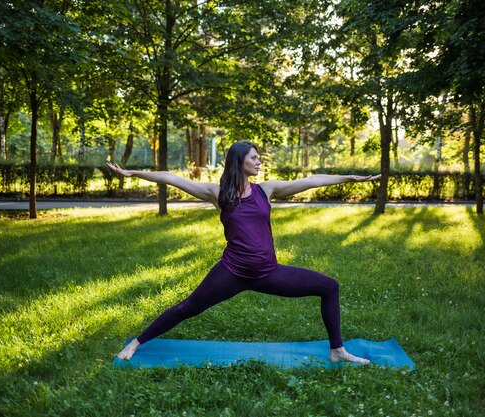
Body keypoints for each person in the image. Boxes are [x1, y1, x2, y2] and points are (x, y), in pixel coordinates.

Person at [106, 140, 381, 364]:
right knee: (187, 308)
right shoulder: (218, 193)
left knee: (329, 286)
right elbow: (170, 177)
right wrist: (133, 173)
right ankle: (137, 341)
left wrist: (349, 178)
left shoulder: (266, 190)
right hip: (232, 273)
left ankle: (337, 351)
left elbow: (311, 181)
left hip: (268, 273)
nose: (259, 161)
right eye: (254, 157)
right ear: (240, 161)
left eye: (259, 157)